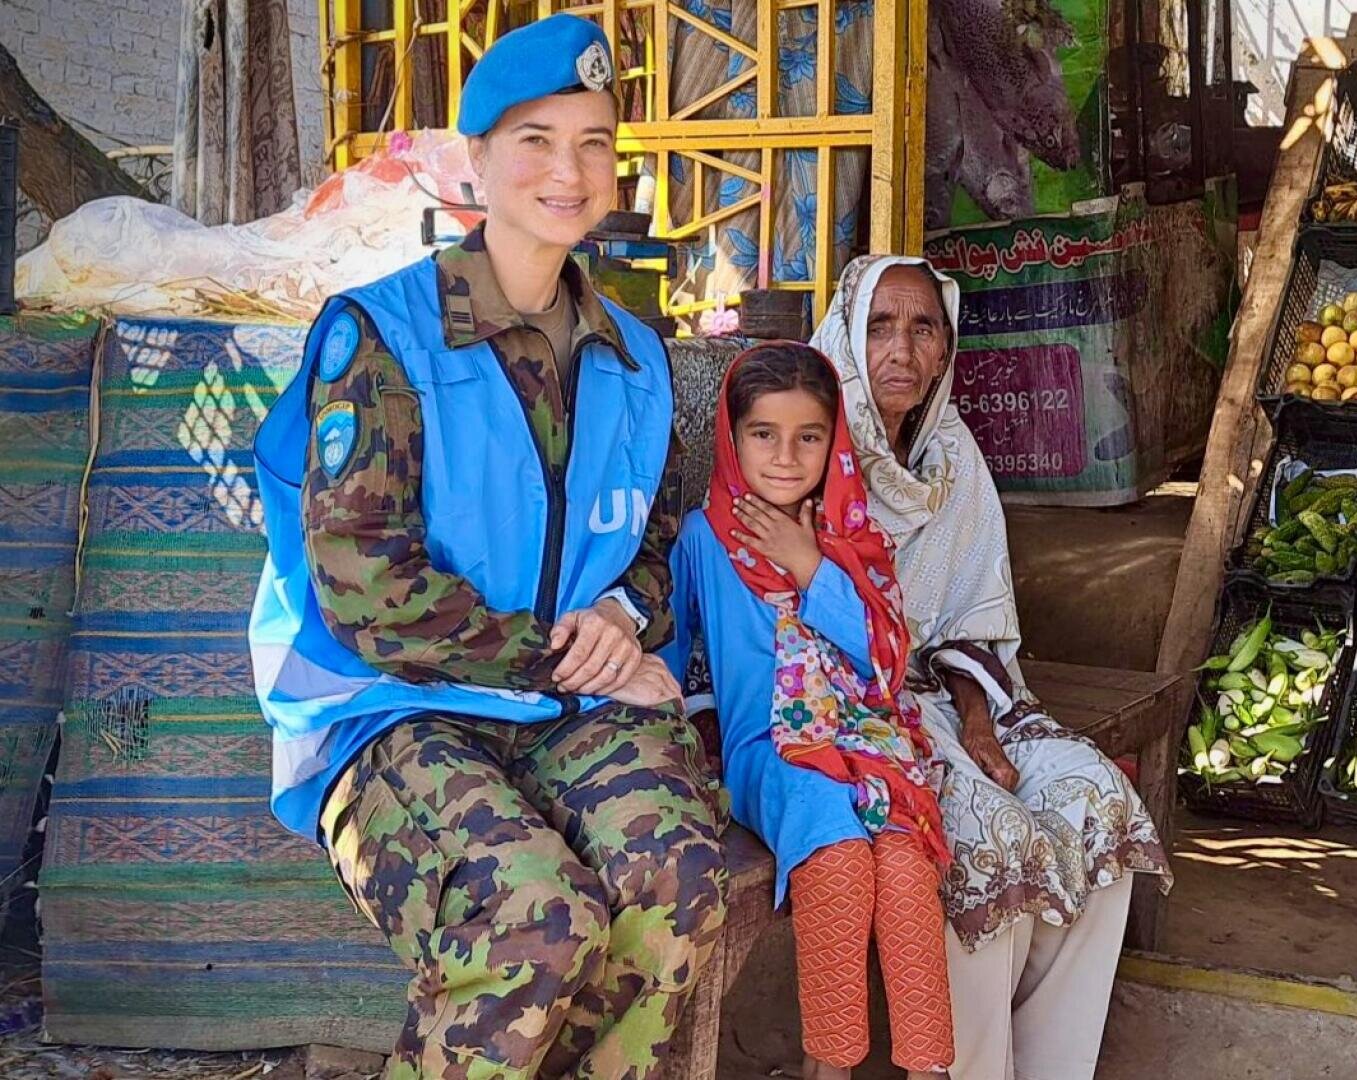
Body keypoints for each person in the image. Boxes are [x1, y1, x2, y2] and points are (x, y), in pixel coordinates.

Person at [246, 14, 728, 1078]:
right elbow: (366, 587)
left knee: (678, 884)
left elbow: (653, 541)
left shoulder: (637, 359)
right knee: (534, 918)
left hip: (562, 708)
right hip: (389, 708)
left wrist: (623, 618)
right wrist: (568, 657)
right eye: (535, 140)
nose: (569, 171)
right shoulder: (382, 336)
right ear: (475, 159)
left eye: (594, 143)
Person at [809, 255, 1172, 1080]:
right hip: (853, 711)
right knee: (990, 841)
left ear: (946, 348)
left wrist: (980, 722)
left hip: (956, 697)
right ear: (848, 335)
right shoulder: (809, 442)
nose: (901, 349)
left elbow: (974, 615)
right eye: (879, 326)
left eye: (923, 328)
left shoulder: (952, 450)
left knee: (1093, 801)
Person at [660, 343, 954, 1080]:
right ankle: (830, 1069)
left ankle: (930, 1069)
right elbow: (667, 655)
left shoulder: (854, 536)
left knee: (904, 862)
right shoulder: (704, 539)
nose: (786, 457)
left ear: (835, 442)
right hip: (772, 748)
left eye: (809, 436)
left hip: (872, 740)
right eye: (764, 434)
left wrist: (808, 563)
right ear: (732, 437)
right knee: (838, 853)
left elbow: (885, 663)